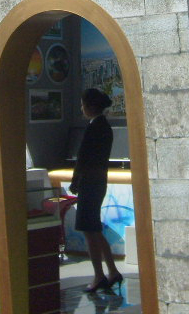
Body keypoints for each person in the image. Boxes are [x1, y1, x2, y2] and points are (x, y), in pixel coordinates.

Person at [69, 88, 122, 294]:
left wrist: (76, 180)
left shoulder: (94, 128)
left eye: (83, 104)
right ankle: (112, 271)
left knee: (89, 230)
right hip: (97, 182)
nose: (81, 108)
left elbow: (84, 158)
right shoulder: (104, 127)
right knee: (94, 229)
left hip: (89, 184)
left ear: (90, 106)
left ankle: (99, 274)